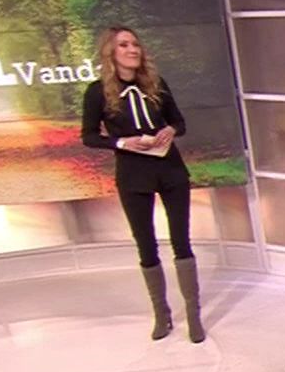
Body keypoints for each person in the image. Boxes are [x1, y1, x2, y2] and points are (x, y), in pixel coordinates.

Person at [81, 25, 203, 343]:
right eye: (124, 45)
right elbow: (89, 136)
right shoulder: (97, 92)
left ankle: (193, 315)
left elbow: (179, 122)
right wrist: (122, 143)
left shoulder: (156, 85)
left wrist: (170, 131)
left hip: (170, 169)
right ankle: (162, 314)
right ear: (111, 52)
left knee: (181, 241)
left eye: (135, 44)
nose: (133, 49)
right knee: (146, 244)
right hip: (134, 175)